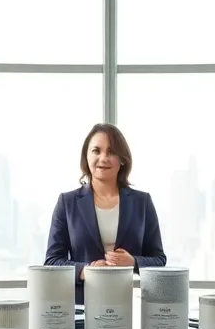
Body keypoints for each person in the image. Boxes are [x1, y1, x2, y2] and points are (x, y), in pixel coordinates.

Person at [44, 123, 166, 304]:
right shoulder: (67, 202)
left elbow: (158, 259)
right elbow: (52, 262)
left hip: (129, 304)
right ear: (86, 156)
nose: (103, 158)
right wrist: (86, 270)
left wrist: (133, 262)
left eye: (112, 152)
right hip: (81, 306)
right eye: (96, 151)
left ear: (122, 159)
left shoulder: (142, 202)